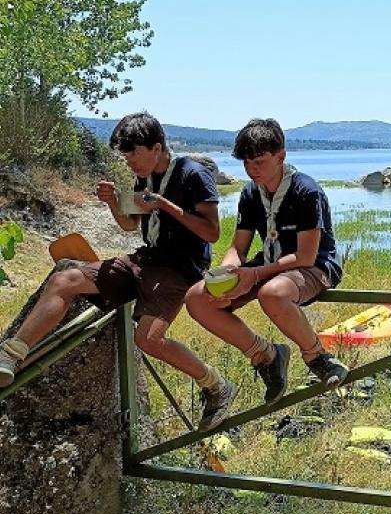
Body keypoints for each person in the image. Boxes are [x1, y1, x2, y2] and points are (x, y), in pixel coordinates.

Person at [0, 112, 232, 429]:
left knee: (147, 339)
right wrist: (113, 203)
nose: (128, 162)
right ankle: (10, 355)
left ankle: (216, 385)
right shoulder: (144, 176)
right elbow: (129, 225)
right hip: (146, 259)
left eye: (132, 153)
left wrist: (165, 205)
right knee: (65, 279)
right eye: (124, 155)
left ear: (156, 147)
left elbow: (212, 233)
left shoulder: (193, 175)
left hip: (181, 269)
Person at [185, 118, 347, 413]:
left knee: (272, 293)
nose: (252, 168)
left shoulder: (306, 190)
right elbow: (238, 247)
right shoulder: (250, 193)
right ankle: (266, 356)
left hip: (315, 266)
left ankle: (317, 357)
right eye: (247, 162)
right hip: (270, 264)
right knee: (198, 298)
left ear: (281, 156)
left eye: (259, 160)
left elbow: (306, 257)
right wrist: (228, 273)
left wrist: (254, 275)